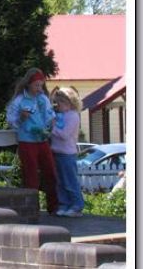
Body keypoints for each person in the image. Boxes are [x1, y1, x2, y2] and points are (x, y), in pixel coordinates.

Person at [6, 68, 58, 215]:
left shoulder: (43, 99)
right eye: (36, 85)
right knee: (30, 174)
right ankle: (32, 208)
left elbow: (50, 116)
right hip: (27, 140)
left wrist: (52, 128)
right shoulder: (19, 100)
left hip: (42, 139)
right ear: (28, 84)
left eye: (41, 85)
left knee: (50, 172)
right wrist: (21, 118)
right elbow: (11, 121)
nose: (39, 88)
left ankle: (53, 206)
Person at [50, 87, 85, 217]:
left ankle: (77, 206)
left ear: (69, 103)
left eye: (59, 103)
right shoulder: (61, 115)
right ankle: (64, 204)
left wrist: (52, 127)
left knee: (70, 181)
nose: (57, 106)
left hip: (67, 154)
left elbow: (64, 135)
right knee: (60, 182)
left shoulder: (73, 116)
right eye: (56, 103)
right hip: (57, 152)